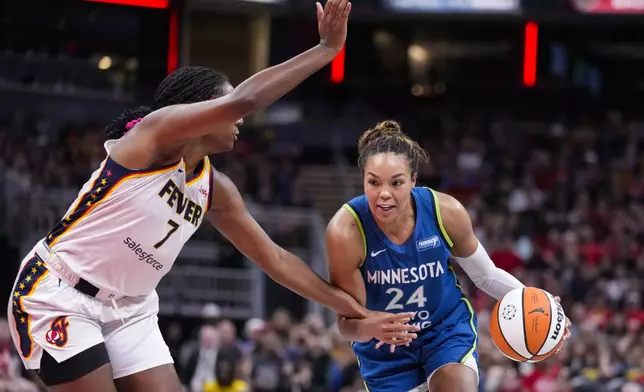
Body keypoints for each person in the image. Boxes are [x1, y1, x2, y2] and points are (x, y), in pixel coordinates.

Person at [6, 2, 416, 391]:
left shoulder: (215, 187)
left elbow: (274, 259)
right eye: (225, 104)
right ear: (201, 109)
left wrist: (357, 311)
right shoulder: (152, 137)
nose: (238, 119)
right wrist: (326, 49)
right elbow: (248, 100)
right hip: (61, 292)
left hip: (131, 309)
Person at [325, 120, 572, 392]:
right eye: (373, 182)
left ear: (414, 180)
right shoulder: (345, 232)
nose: (384, 193)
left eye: (396, 182)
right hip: (384, 347)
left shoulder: (445, 211)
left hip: (443, 329)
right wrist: (372, 327)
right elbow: (347, 325)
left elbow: (486, 276)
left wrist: (541, 306)